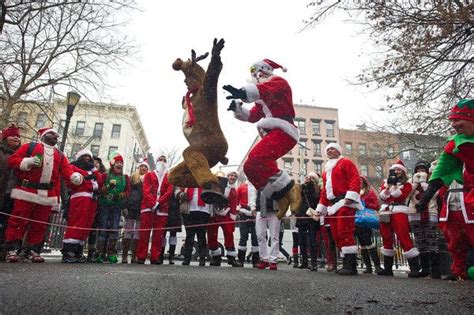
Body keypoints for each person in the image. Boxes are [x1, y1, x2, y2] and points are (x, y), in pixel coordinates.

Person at [224, 59, 301, 218]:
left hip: (284, 130)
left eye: (258, 74)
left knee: (256, 158)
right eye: (255, 75)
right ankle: (279, 197)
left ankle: (292, 188)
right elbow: (253, 116)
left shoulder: (279, 83)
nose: (257, 77)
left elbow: (264, 90)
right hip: (272, 132)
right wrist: (238, 108)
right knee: (250, 168)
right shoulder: (262, 97)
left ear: (265, 71)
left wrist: (243, 92)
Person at [5, 127, 83, 262]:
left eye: (56, 136)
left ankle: (33, 250)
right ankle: (12, 249)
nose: (56, 137)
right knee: (18, 220)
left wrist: (73, 176)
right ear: (44, 135)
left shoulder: (59, 154)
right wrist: (27, 162)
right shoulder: (30, 147)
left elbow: (66, 170)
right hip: (27, 191)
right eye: (52, 134)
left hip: (47, 194)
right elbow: (13, 160)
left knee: (40, 224)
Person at [416, 98, 474, 281]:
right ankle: (459, 271)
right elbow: (442, 169)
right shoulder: (455, 143)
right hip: (464, 196)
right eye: (453, 121)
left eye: (459, 120)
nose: (455, 124)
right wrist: (426, 198)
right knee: (455, 237)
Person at [314, 143, 362, 276]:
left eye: (332, 148)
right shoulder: (326, 171)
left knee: (345, 231)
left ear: (338, 151)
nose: (329, 150)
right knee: (336, 234)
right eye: (327, 149)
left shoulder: (346, 162)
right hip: (333, 206)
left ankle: (351, 266)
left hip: (345, 202)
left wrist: (350, 197)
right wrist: (320, 208)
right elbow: (325, 192)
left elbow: (355, 179)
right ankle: (347, 262)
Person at [377, 160, 421, 277]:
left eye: (399, 170)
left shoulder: (407, 184)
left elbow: (400, 196)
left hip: (399, 211)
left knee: (403, 236)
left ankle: (414, 268)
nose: (396, 172)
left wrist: (395, 185)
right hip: (386, 211)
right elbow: (382, 197)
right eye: (395, 170)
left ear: (403, 172)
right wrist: (388, 187)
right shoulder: (386, 183)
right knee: (386, 237)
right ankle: (387, 268)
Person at [61, 149, 103, 263]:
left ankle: (78, 250)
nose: (88, 159)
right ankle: (69, 251)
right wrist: (84, 179)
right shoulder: (73, 168)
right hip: (80, 198)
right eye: (85, 157)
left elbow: (100, 181)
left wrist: (93, 169)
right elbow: (71, 180)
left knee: (86, 225)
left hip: (92, 200)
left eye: (89, 157)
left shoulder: (92, 171)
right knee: (76, 223)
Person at [136, 155, 173, 264]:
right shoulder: (149, 175)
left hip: (162, 209)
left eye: (164, 160)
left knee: (158, 235)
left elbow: (169, 192)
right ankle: (141, 256)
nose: (162, 162)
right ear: (156, 162)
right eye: (160, 160)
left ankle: (155, 257)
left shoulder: (169, 177)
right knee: (144, 233)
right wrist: (152, 204)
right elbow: (146, 191)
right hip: (148, 208)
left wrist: (159, 203)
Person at [407, 160, 441, 278]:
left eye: (423, 170)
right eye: (418, 170)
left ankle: (435, 270)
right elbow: (406, 194)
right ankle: (425, 268)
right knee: (420, 241)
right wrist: (415, 183)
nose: (420, 172)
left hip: (430, 211)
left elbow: (435, 194)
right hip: (414, 213)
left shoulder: (432, 180)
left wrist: (423, 182)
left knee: (431, 240)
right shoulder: (411, 182)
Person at [96, 152, 130, 264]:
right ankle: (100, 253)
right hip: (105, 205)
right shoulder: (105, 176)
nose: (120, 164)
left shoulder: (125, 178)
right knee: (103, 228)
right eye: (117, 162)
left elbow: (128, 191)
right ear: (112, 164)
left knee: (114, 229)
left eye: (121, 163)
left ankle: (111, 253)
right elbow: (99, 189)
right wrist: (106, 188)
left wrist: (121, 195)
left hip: (116, 207)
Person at [208, 172, 242, 267]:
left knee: (228, 234)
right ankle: (216, 257)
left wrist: (232, 216)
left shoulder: (234, 191)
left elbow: (234, 204)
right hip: (215, 213)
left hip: (226, 215)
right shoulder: (219, 185)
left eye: (235, 176)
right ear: (227, 177)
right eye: (231, 175)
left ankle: (231, 258)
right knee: (211, 234)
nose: (233, 177)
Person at [0, 124, 21, 261]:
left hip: (13, 193)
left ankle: (4, 250)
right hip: (2, 189)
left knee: (8, 223)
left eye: (18, 136)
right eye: (13, 135)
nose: (16, 138)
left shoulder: (23, 154)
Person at [122, 159, 148, 264]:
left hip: (141, 209)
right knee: (128, 232)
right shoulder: (132, 178)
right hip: (131, 207)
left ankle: (134, 256)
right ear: (139, 167)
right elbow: (126, 192)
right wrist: (124, 206)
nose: (144, 168)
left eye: (146, 167)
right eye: (142, 166)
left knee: (137, 233)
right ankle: (124, 256)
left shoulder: (149, 180)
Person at [356, 176, 382, 274]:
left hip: (366, 221)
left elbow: (376, 206)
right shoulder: (355, 194)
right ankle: (368, 267)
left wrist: (365, 204)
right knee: (362, 244)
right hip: (357, 221)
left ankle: (377, 266)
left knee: (369, 242)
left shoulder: (369, 193)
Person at [296, 172, 321, 271]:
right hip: (302, 215)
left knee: (312, 240)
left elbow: (316, 200)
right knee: (302, 240)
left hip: (310, 216)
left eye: (310, 178)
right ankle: (305, 261)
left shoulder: (315, 190)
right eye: (307, 177)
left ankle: (313, 262)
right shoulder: (301, 188)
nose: (307, 178)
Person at [181, 187, 211, 266]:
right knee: (189, 236)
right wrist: (181, 194)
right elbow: (179, 191)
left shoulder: (207, 183)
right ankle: (187, 259)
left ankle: (202, 258)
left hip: (204, 211)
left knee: (201, 236)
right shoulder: (188, 182)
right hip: (189, 211)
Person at [254, 188, 281, 270]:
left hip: (275, 209)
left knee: (274, 236)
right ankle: (264, 259)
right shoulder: (258, 180)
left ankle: (273, 261)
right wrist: (252, 206)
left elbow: (283, 193)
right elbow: (253, 192)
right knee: (260, 235)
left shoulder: (278, 180)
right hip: (261, 208)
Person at [86, 155, 106, 262]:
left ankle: (91, 251)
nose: (95, 164)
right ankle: (77, 249)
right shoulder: (86, 173)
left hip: (99, 204)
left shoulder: (102, 176)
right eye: (93, 162)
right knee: (85, 227)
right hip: (86, 202)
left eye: (97, 162)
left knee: (94, 230)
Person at [236, 180, 259, 267]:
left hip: (255, 214)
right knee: (243, 237)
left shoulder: (258, 186)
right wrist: (238, 210)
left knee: (255, 237)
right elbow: (236, 200)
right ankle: (240, 261)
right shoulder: (241, 187)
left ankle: (256, 261)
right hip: (243, 214)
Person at [159, 185, 183, 265]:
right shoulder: (166, 185)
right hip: (166, 210)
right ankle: (161, 256)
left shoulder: (179, 187)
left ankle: (171, 256)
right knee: (163, 234)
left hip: (175, 212)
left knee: (173, 235)